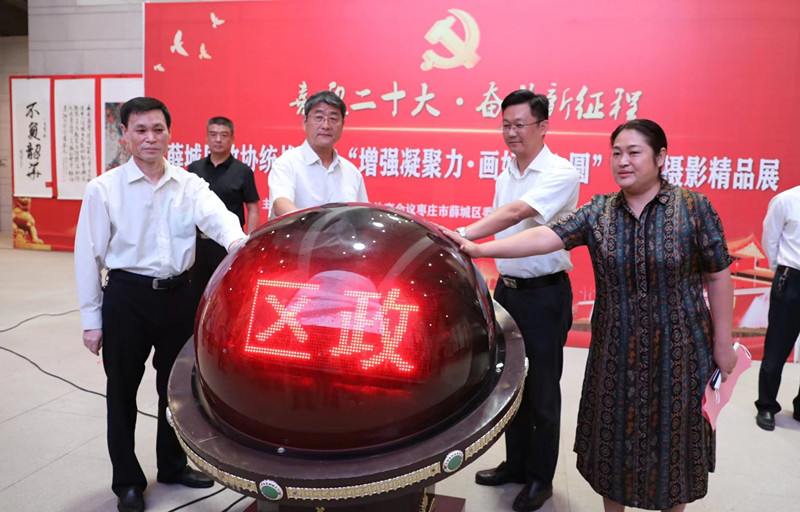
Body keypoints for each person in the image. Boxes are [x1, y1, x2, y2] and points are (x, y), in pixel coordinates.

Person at [445, 119, 738, 512]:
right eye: (616, 153)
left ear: (660, 157)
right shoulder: (600, 211)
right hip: (615, 349)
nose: (623, 161)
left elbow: (718, 275)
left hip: (680, 350)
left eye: (634, 152)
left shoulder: (693, 208)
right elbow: (545, 236)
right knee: (612, 442)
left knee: (675, 443)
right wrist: (479, 249)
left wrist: (722, 343)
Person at [74, 97, 247, 512]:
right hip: (126, 299)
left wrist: (239, 244)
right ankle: (127, 482)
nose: (150, 138)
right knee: (122, 392)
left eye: (158, 129)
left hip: (178, 297)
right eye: (141, 130)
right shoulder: (104, 189)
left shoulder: (189, 184)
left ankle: (172, 465)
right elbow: (87, 256)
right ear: (125, 135)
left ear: (169, 133)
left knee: (177, 391)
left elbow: (218, 218)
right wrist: (91, 319)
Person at [454, 90, 579, 512]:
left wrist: (465, 236)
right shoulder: (506, 172)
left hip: (545, 294)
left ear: (543, 127)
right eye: (505, 125)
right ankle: (515, 464)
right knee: (509, 384)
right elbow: (504, 220)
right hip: (508, 291)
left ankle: (540, 478)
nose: (511, 133)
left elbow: (517, 213)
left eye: (519, 125)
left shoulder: (561, 172)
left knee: (542, 390)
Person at [188, 116, 260, 309]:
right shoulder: (194, 169)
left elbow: (252, 207)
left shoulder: (242, 171)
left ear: (232, 139)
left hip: (228, 246)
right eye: (213, 134)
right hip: (198, 245)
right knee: (196, 295)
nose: (218, 139)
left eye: (223, 135)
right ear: (206, 138)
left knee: (227, 294)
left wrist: (249, 241)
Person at [268, 90, 368, 219]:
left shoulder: (352, 172)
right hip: (299, 232)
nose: (326, 126)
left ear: (343, 124)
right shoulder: (286, 163)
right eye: (319, 118)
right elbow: (281, 204)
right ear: (305, 121)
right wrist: (313, 225)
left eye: (333, 119)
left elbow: (362, 216)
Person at [755, 185, 800, 430]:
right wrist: (781, 271)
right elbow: (770, 240)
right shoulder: (786, 200)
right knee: (777, 347)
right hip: (791, 279)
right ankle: (766, 405)